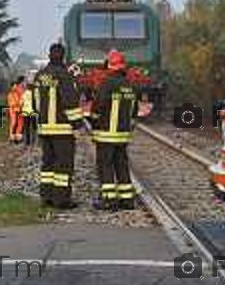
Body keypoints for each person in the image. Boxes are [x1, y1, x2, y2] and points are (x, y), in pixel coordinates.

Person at [34, 43, 84, 208]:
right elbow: (70, 102)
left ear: (49, 55)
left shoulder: (40, 75)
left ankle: (46, 196)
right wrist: (77, 126)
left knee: (47, 163)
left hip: (44, 127)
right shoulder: (64, 75)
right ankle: (62, 200)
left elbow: (35, 102)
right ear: (63, 56)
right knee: (63, 164)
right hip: (62, 129)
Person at [90, 49, 138, 210]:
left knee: (105, 165)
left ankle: (109, 200)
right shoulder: (129, 85)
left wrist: (93, 120)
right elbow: (135, 110)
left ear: (109, 66)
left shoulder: (107, 83)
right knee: (121, 165)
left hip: (106, 134)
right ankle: (127, 200)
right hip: (123, 135)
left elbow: (98, 106)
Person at [21, 79, 38, 146]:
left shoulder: (24, 94)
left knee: (27, 127)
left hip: (25, 112)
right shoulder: (34, 94)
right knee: (34, 127)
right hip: (32, 112)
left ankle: (27, 141)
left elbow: (21, 103)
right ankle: (34, 140)